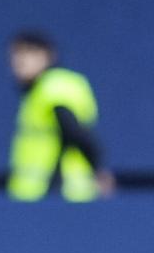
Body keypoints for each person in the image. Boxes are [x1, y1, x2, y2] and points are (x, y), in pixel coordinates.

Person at [7, 31, 115, 202]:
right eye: (16, 53)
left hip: (60, 195)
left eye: (29, 52)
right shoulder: (36, 92)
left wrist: (97, 171)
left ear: (48, 56)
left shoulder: (54, 86)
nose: (20, 60)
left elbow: (75, 133)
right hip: (37, 196)